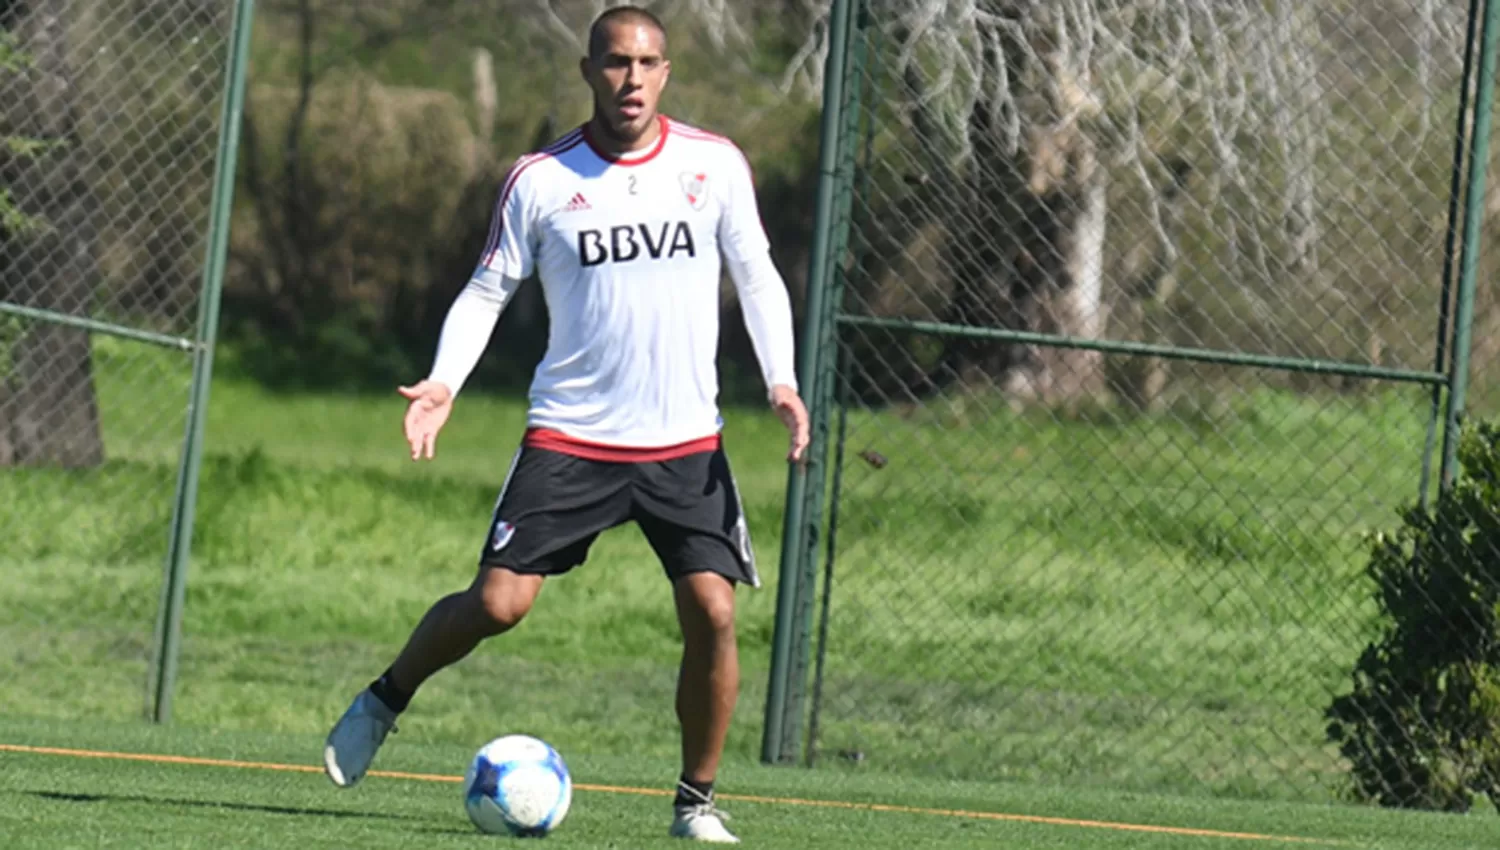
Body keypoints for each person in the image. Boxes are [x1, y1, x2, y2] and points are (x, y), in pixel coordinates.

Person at [320, 5, 809, 844]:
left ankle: (696, 803)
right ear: (588, 71)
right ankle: (385, 697)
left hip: (685, 441)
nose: (632, 78)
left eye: (648, 63)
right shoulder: (541, 179)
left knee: (715, 613)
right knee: (499, 604)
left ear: (667, 73)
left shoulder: (714, 165)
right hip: (572, 436)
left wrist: (781, 380)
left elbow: (757, 277)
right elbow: (486, 291)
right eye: (615, 62)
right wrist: (443, 382)